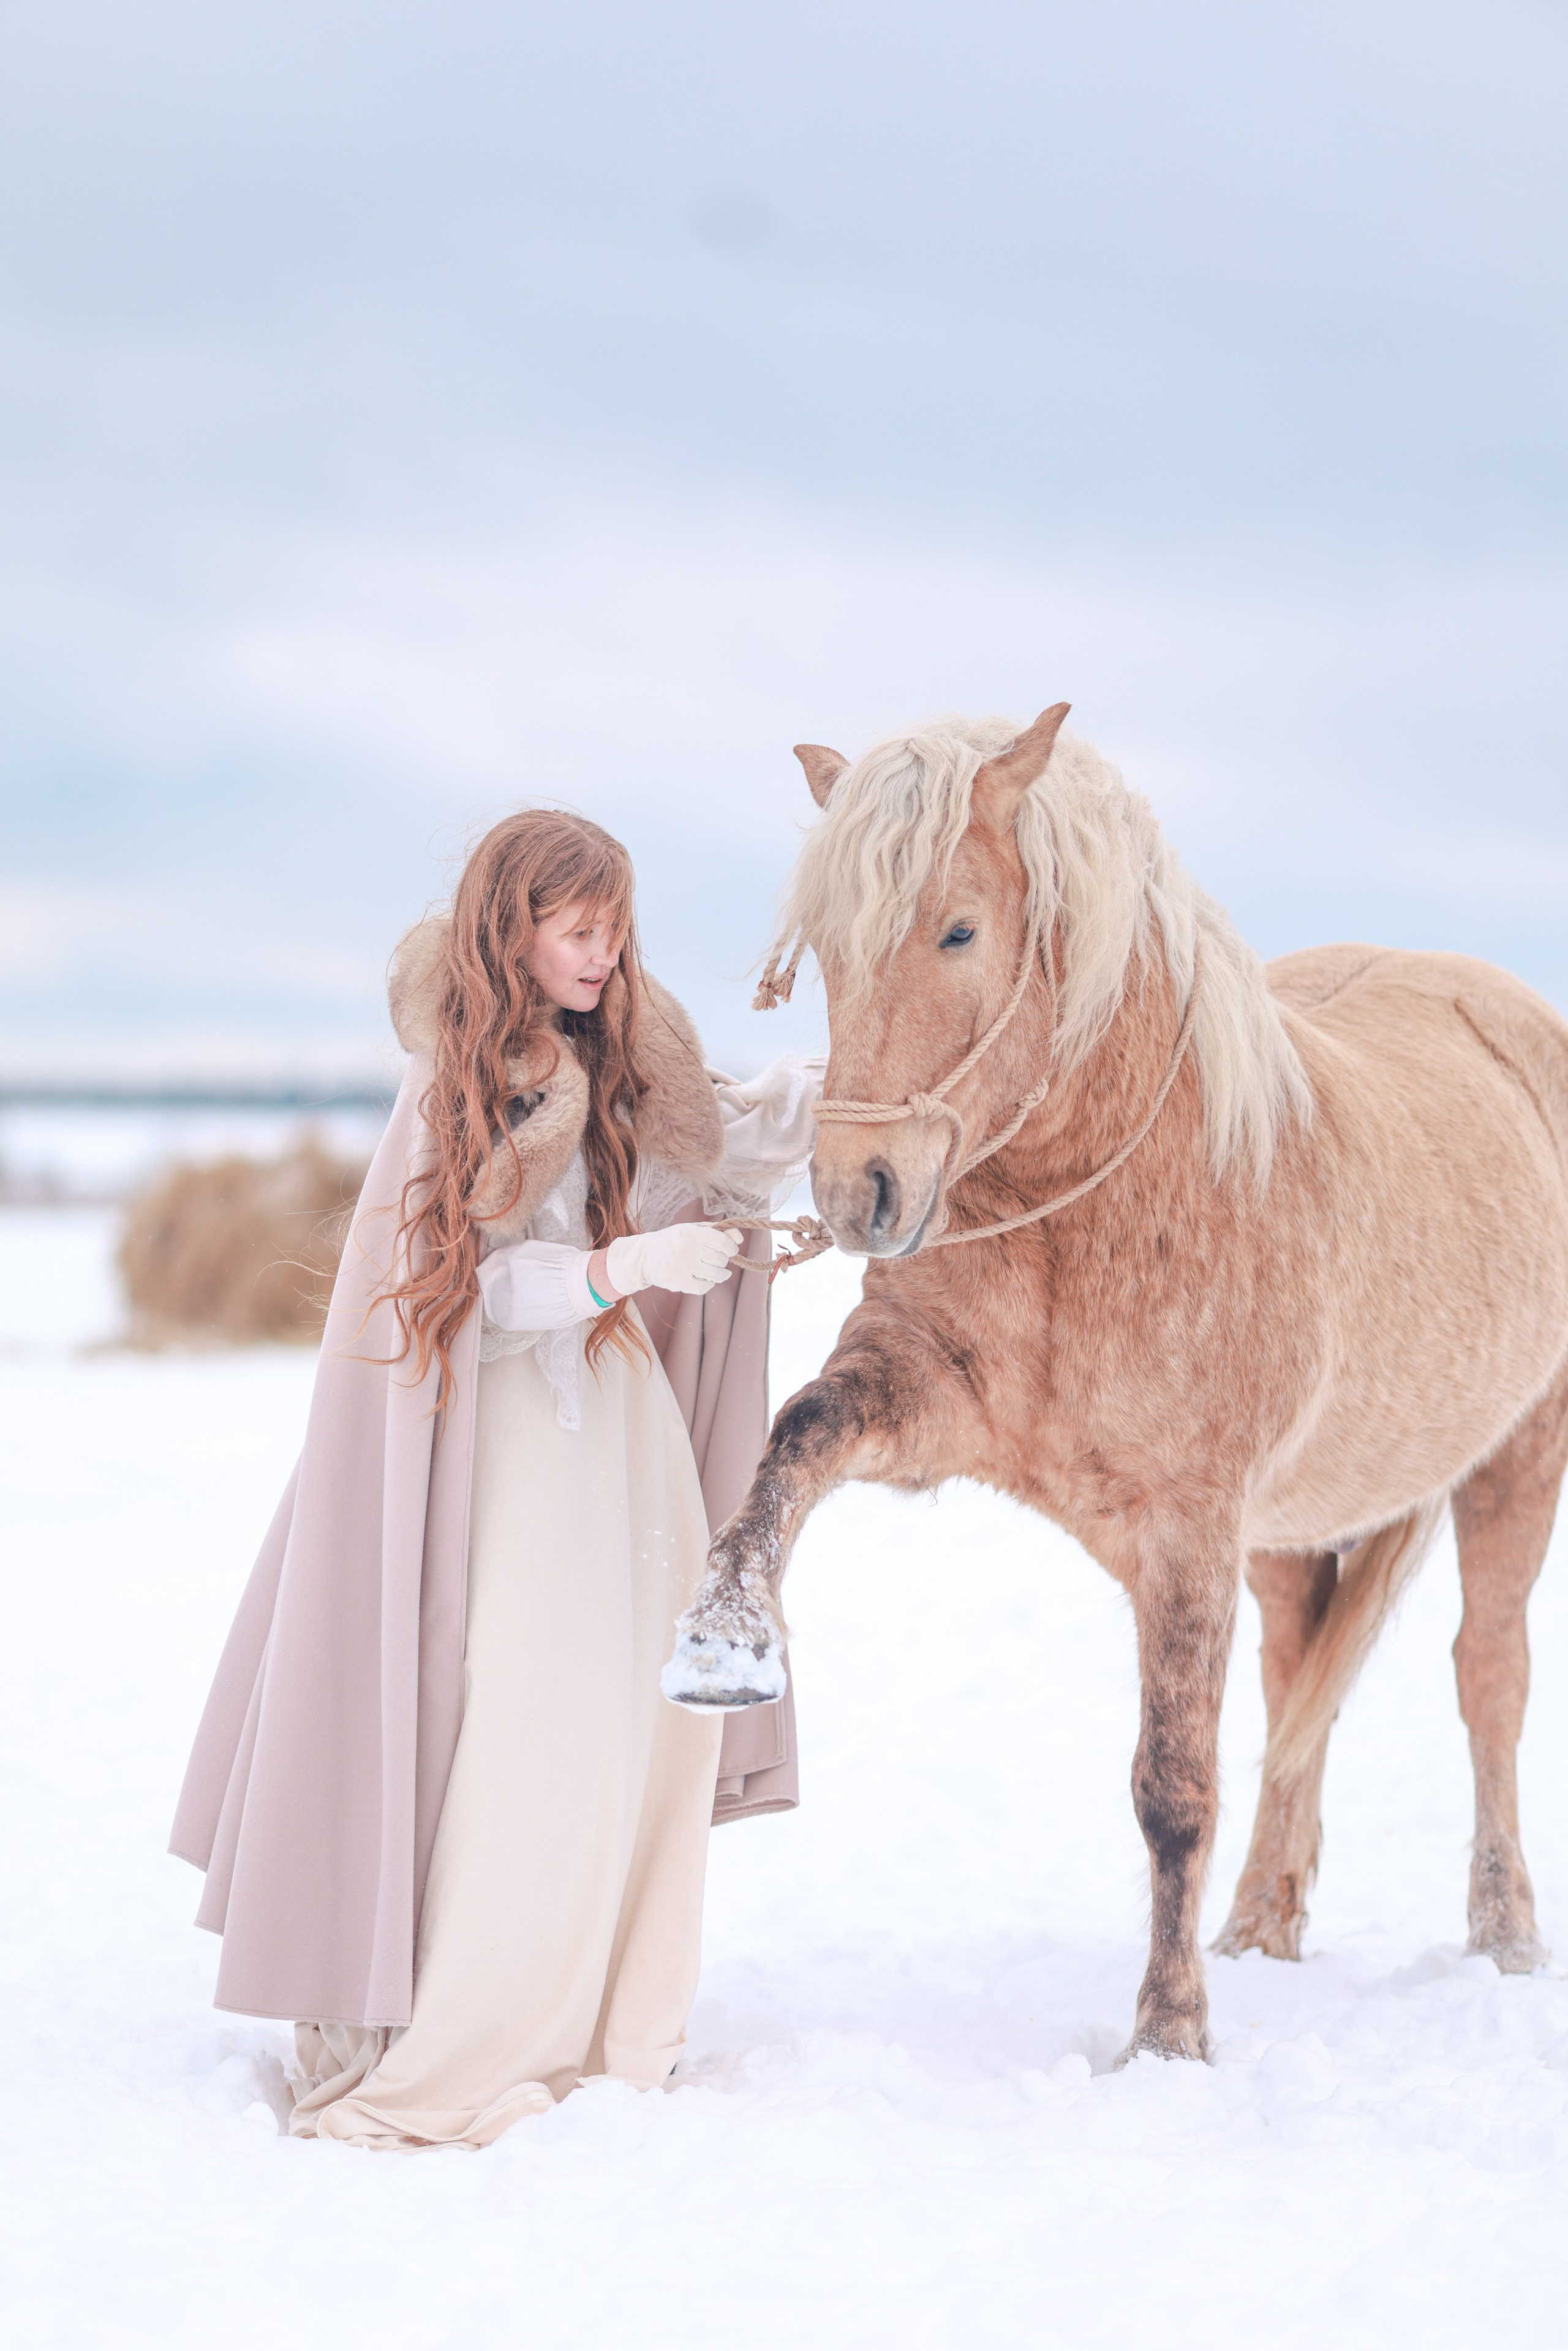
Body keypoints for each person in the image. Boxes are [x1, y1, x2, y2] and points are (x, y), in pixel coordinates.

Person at [170, 810, 822, 2148]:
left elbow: (710, 1159)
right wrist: (618, 1272)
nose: (604, 952)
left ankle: (592, 2011)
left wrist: (831, 1094)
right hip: (511, 1444)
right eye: (579, 928)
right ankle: (482, 2009)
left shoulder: (622, 1057)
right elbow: (461, 1285)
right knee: (530, 1718)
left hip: (622, 1444)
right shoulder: (456, 1077)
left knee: (629, 1723)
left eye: (615, 929)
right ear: (511, 926)